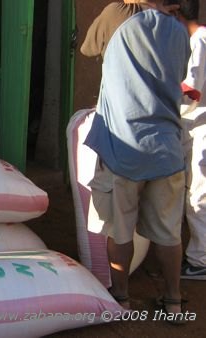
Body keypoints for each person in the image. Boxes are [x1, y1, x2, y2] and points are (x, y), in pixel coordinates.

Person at [83, 3, 190, 324]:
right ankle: (173, 303)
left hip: (123, 146)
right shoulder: (177, 30)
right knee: (169, 233)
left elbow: (89, 47)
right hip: (166, 148)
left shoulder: (118, 12)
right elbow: (180, 74)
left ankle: (122, 299)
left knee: (120, 229)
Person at [169, 0, 206, 280]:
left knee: (198, 195)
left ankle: (199, 260)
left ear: (177, 13)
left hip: (201, 126)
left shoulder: (199, 40)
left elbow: (191, 89)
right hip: (196, 125)